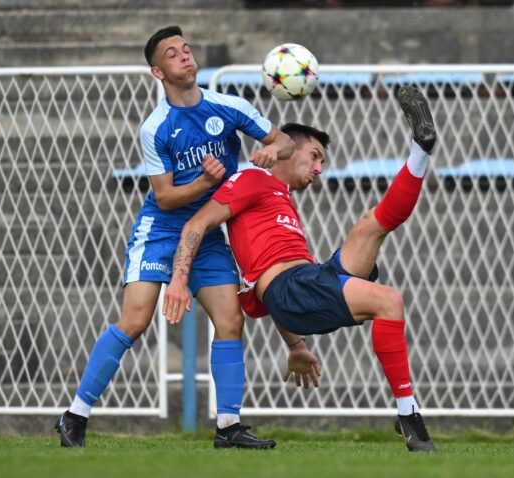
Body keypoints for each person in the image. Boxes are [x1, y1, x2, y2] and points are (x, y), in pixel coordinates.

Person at [54, 25, 295, 449]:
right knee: (135, 321)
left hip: (205, 234)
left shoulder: (230, 105)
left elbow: (287, 141)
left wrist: (275, 149)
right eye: (172, 53)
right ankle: (75, 415)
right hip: (160, 233)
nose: (184, 56)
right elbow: (164, 198)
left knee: (230, 320)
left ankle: (228, 426)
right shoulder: (156, 127)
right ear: (157, 72)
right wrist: (206, 181)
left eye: (186, 49)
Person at [163, 85, 439, 452]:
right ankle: (409, 415)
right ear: (288, 150)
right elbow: (196, 226)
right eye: (315, 156)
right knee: (389, 300)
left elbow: (276, 280)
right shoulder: (252, 180)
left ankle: (420, 151)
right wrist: (179, 281)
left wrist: (295, 345)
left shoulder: (281, 197)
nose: (320, 169)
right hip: (294, 286)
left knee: (372, 225)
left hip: (305, 281)